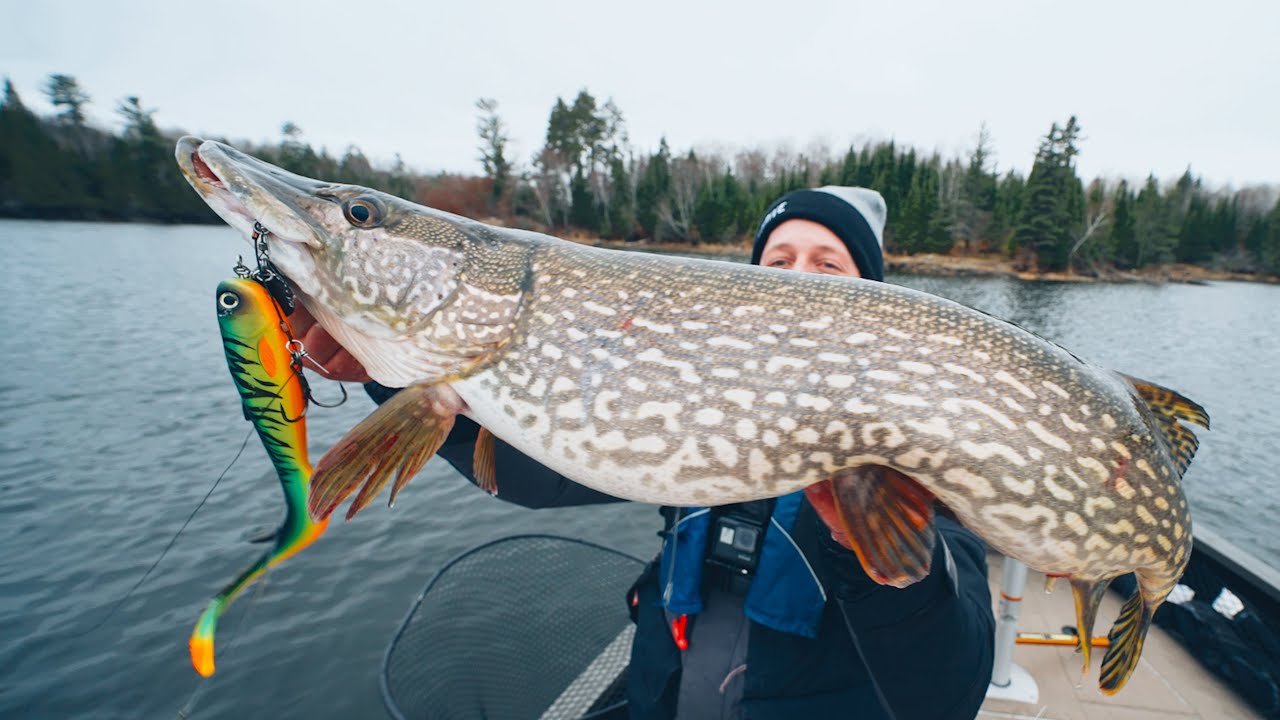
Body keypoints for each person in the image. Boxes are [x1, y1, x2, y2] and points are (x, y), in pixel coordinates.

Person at [291, 186, 996, 720]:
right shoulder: (691, 415)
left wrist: (874, 545)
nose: (799, 276)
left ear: (873, 304)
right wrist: (399, 373)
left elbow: (947, 693)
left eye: (827, 265)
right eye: (779, 262)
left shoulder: (933, 433)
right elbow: (539, 469)